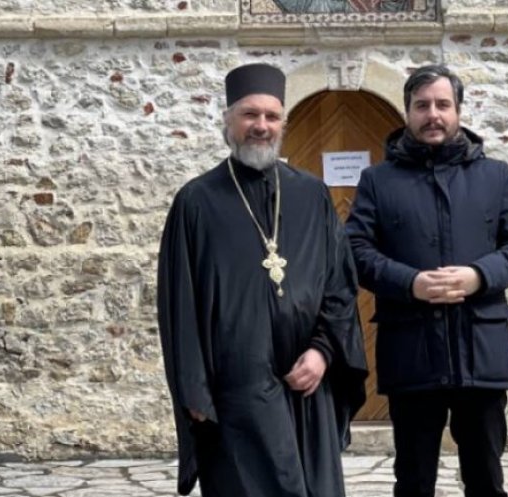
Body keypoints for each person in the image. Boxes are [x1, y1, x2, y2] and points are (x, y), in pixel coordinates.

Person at [157, 63, 368, 496]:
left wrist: (323, 352)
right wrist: (195, 393)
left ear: (283, 124)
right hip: (237, 393)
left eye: (272, 116)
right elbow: (179, 305)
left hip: (308, 385)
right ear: (228, 120)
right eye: (250, 114)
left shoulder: (312, 195)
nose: (261, 126)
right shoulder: (196, 202)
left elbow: (340, 286)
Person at [345, 64, 508, 497]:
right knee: (414, 482)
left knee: (486, 479)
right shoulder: (377, 181)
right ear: (407, 112)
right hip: (411, 350)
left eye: (442, 105)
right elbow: (354, 251)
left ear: (458, 111)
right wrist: (409, 282)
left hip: (481, 350)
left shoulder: (496, 176)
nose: (432, 115)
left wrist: (478, 276)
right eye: (422, 106)